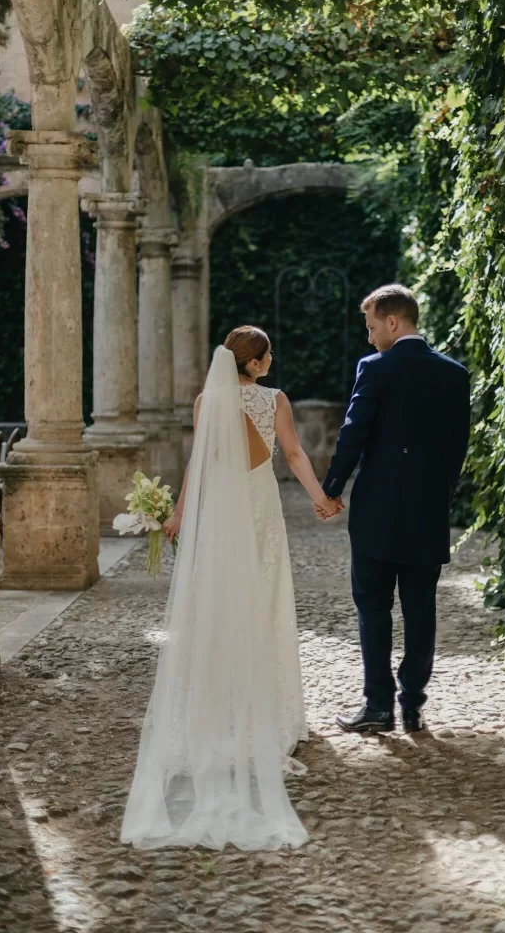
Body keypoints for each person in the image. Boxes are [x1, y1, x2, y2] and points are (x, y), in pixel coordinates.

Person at [121, 326, 341, 851]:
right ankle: (267, 715)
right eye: (269, 355)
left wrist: (178, 515)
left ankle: (217, 713)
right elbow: (293, 456)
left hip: (220, 516)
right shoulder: (274, 400)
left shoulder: (206, 401)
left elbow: (198, 463)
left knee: (215, 610)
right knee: (263, 607)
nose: (271, 361)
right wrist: (321, 499)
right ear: (258, 363)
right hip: (260, 513)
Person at [319, 285, 470, 735]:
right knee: (421, 607)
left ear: (392, 321)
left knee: (373, 607)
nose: (368, 339)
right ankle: (413, 706)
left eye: (370, 327)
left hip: (377, 511)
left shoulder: (375, 368)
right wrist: (436, 491)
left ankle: (378, 706)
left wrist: (330, 489)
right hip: (427, 510)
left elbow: (353, 434)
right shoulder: (454, 373)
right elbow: (456, 449)